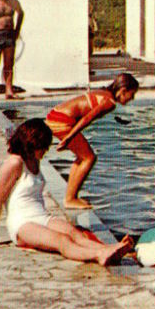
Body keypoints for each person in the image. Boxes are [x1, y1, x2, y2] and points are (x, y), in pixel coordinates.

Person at [0, 119, 135, 265]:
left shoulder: (35, 160)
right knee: (62, 240)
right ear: (31, 143)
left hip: (41, 217)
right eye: (43, 147)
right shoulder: (14, 163)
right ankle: (99, 254)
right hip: (22, 224)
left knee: (74, 233)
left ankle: (110, 248)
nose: (45, 151)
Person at [44, 73, 139, 209]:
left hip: (55, 114)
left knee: (83, 156)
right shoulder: (109, 103)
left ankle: (71, 196)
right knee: (89, 158)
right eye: (132, 94)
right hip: (62, 120)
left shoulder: (104, 93)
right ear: (123, 91)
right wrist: (69, 137)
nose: (132, 99)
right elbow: (87, 119)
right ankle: (70, 199)